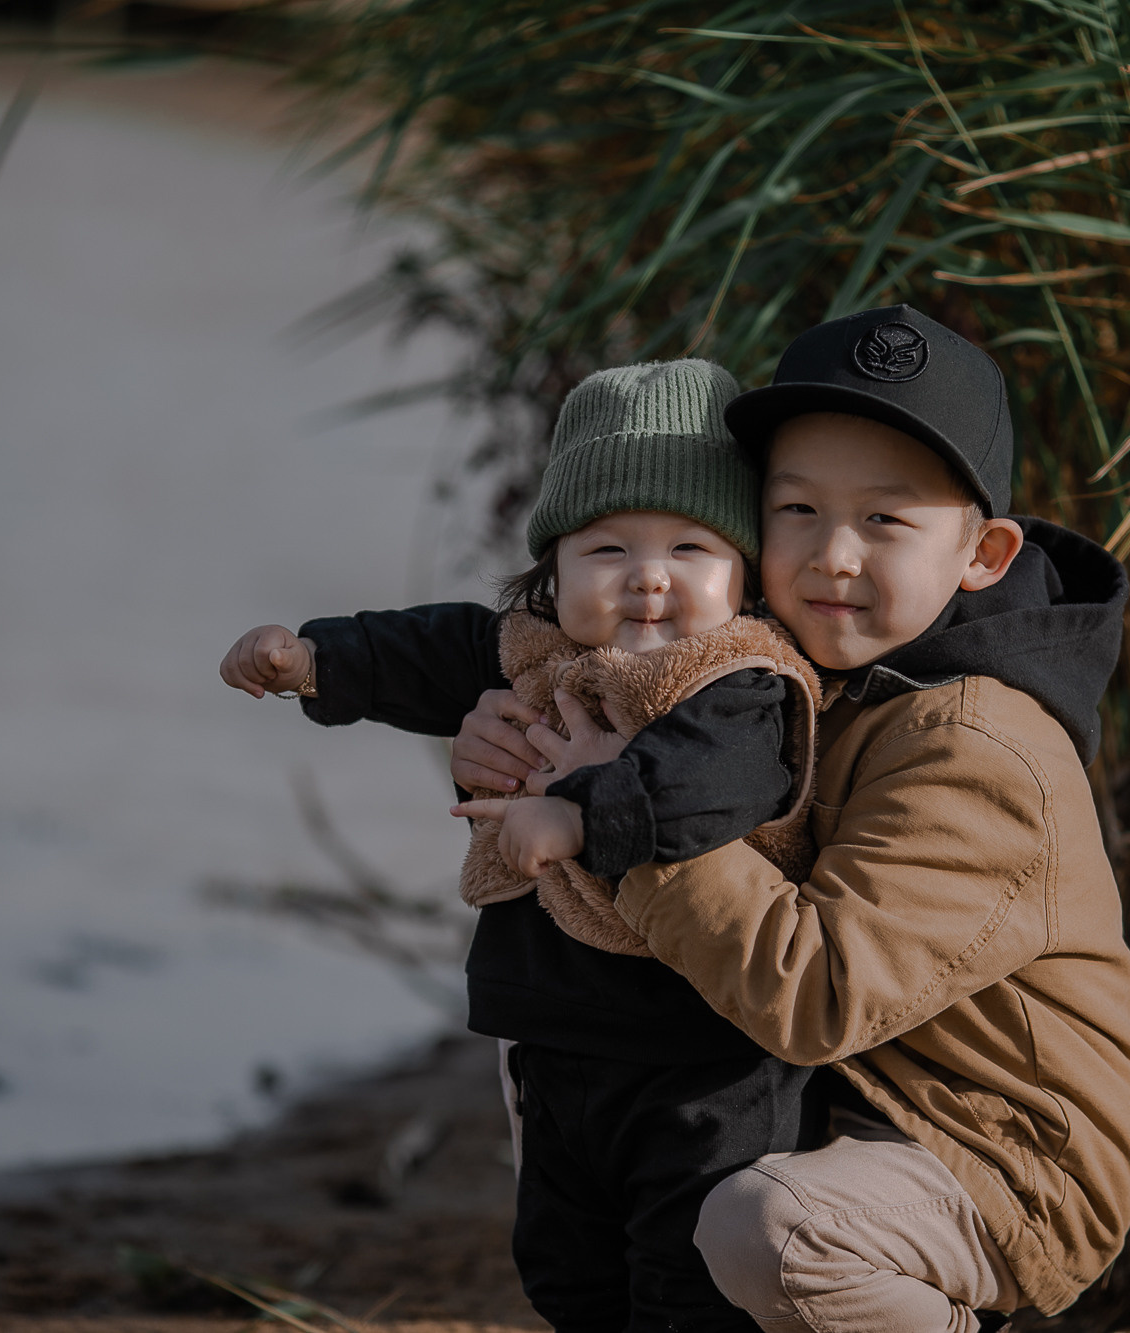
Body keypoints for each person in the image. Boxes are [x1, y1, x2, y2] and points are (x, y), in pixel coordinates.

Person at [451, 306, 1130, 1333]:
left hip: (997, 1146)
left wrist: (620, 816)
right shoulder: (768, 660)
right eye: (796, 510)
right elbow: (565, 710)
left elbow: (815, 992)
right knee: (556, 1023)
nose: (832, 555)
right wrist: (502, 748)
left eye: (884, 519)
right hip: (850, 1088)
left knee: (771, 1232)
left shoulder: (978, 747)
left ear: (982, 552)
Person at [219, 359, 828, 1333]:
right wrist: (313, 659)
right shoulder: (532, 649)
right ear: (553, 569)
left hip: (704, 1056)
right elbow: (427, 651)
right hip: (555, 1041)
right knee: (564, 1261)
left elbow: (710, 782)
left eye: (689, 545)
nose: (647, 576)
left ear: (744, 571)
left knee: (686, 1275)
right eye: (605, 548)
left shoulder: (739, 679)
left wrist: (582, 812)